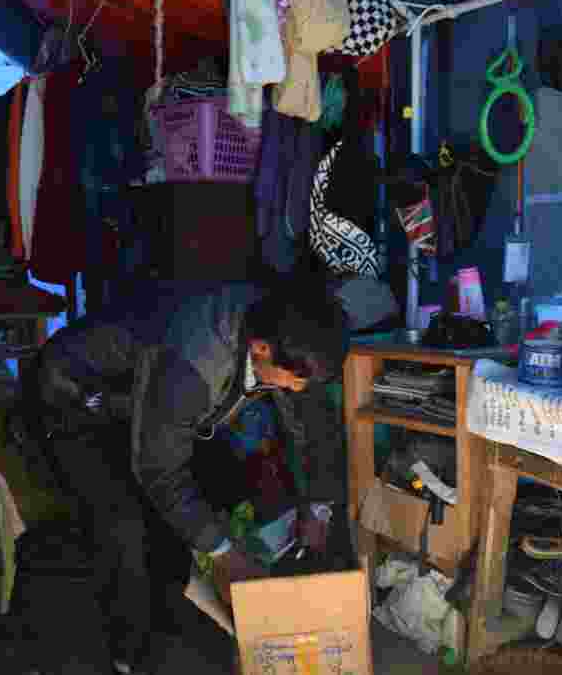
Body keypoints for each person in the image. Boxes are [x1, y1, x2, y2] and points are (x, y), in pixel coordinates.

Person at [23, 278, 351, 675]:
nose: (299, 388)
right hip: (78, 400)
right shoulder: (195, 360)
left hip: (150, 404)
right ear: (261, 349)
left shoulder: (285, 329)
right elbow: (159, 469)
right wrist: (224, 554)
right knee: (122, 524)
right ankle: (127, 654)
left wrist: (317, 507)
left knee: (214, 494)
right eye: (297, 379)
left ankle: (173, 613)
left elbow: (312, 424)